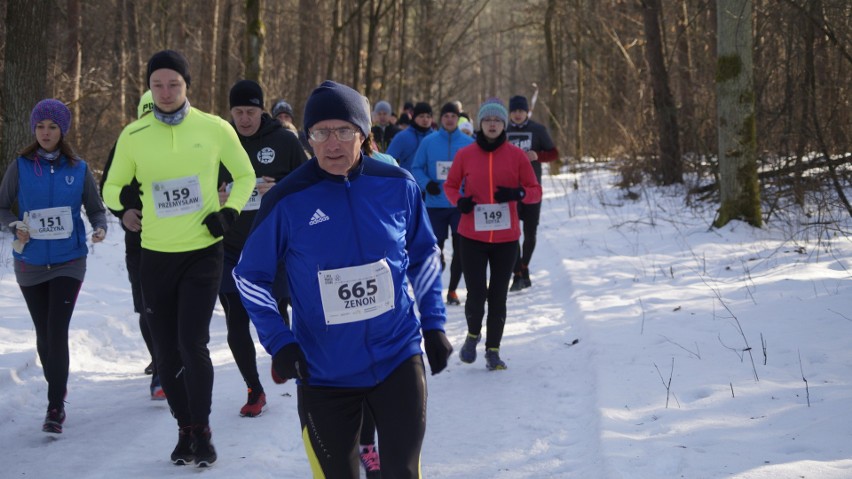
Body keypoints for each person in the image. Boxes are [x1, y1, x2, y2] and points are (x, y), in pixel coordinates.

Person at [233, 80, 453, 479]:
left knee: (401, 472)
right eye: (320, 133)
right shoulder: (287, 199)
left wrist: (434, 323)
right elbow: (250, 277)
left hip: (397, 358)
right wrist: (280, 341)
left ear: (364, 133)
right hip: (323, 372)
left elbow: (423, 255)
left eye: (344, 131)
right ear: (308, 138)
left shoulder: (397, 185)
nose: (332, 144)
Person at [102, 50, 255, 467]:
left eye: (174, 84)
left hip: (202, 254)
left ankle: (202, 430)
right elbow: (110, 188)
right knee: (167, 352)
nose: (166, 92)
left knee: (193, 343)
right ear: (148, 88)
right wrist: (126, 206)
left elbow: (244, 176)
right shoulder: (134, 135)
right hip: (156, 255)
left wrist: (229, 212)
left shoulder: (215, 128)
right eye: (158, 85)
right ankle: (183, 428)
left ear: (188, 85)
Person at [0, 99, 108, 433]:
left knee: (57, 330)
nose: (46, 133)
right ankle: (57, 389)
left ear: (63, 131)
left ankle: (54, 406)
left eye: (53, 127)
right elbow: (2, 207)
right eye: (40, 127)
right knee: (44, 335)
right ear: (34, 129)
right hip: (30, 262)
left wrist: (100, 227)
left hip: (69, 261)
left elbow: (95, 207)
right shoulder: (20, 165)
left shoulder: (77, 168)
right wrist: (14, 223)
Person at [220, 79, 307, 417]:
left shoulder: (284, 140)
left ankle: (280, 350)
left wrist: (280, 188)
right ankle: (254, 389)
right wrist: (219, 195)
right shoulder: (219, 142)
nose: (244, 118)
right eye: (238, 112)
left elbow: (309, 181)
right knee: (236, 321)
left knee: (278, 308)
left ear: (262, 110)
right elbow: (199, 188)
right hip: (230, 246)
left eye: (251, 111)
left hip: (275, 247)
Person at [443, 98, 542, 371]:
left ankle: (493, 351)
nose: (492, 125)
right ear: (481, 124)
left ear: (503, 124)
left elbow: (535, 191)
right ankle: (473, 334)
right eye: (488, 120)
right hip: (472, 237)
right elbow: (450, 186)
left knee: (498, 296)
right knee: (476, 295)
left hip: (506, 240)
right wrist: (459, 202)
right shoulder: (465, 154)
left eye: (497, 121)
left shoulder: (516, 155)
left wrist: (517, 193)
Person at [99, 90, 165, 400]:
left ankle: (172, 360)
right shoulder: (126, 142)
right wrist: (123, 212)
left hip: (179, 238)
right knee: (146, 307)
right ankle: (162, 367)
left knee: (175, 306)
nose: (152, 119)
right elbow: (108, 187)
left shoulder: (180, 144)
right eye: (146, 113)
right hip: (138, 239)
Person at [411, 101, 474, 306]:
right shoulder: (429, 142)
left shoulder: (468, 142)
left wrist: (468, 190)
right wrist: (427, 184)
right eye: (446, 116)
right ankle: (435, 288)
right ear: (441, 118)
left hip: (458, 205)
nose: (449, 119)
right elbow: (416, 167)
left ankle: (453, 290)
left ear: (458, 119)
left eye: (453, 116)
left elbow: (476, 171)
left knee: (461, 249)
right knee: (434, 250)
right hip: (435, 205)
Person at [506, 95, 558, 291]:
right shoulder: (504, 130)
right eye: (514, 111)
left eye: (521, 111)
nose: (518, 115)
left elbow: (554, 153)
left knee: (530, 232)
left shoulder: (537, 130)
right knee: (511, 233)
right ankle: (517, 272)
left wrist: (538, 155)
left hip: (532, 188)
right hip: (510, 189)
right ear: (510, 113)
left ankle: (523, 267)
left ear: (527, 111)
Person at [386, 101, 434, 172]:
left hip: (431, 182)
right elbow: (387, 160)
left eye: (428, 116)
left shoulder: (436, 137)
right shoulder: (402, 137)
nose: (425, 119)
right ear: (414, 117)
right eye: (421, 116)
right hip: (408, 180)